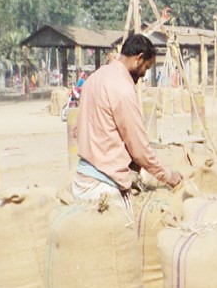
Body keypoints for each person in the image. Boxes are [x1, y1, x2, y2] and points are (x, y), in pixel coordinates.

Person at [74, 34, 181, 210]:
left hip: (82, 179)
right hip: (103, 186)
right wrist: (168, 176)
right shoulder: (122, 88)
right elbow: (139, 148)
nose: (144, 75)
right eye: (146, 67)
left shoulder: (94, 79)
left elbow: (79, 131)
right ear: (138, 59)